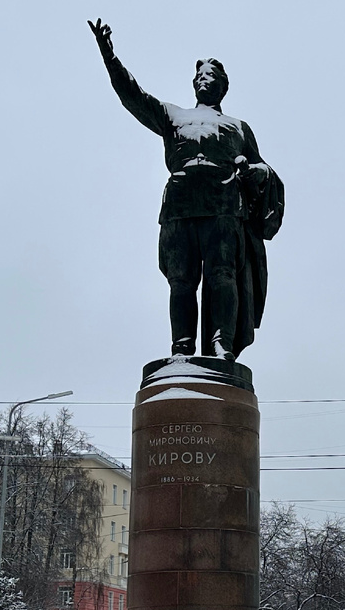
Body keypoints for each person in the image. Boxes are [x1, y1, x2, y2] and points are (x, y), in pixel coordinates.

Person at [88, 20, 284, 360]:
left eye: (211, 78)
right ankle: (181, 348)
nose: (205, 81)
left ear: (223, 87)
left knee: (223, 276)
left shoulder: (238, 128)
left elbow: (264, 170)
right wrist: (109, 55)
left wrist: (252, 171)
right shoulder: (173, 118)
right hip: (180, 207)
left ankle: (221, 346)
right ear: (194, 85)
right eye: (200, 77)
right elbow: (132, 96)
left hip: (225, 208)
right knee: (181, 282)